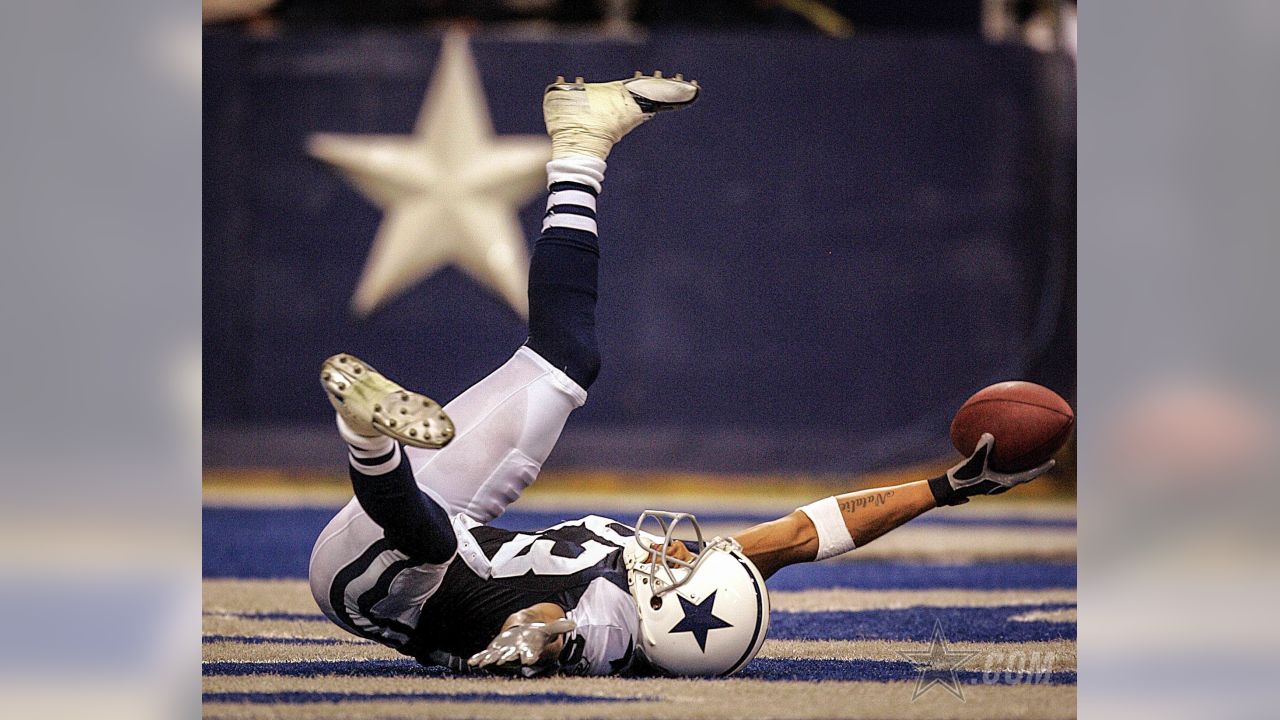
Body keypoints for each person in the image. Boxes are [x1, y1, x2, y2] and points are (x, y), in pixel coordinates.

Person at [308, 73, 1054, 678]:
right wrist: (944, 488)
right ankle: (580, 144)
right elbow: (806, 533)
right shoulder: (683, 589)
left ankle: (364, 436)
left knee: (430, 544)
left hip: (378, 584)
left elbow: (552, 625)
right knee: (564, 363)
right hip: (449, 523)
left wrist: (530, 641)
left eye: (682, 570)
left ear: (663, 615)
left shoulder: (616, 621)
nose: (682, 553)